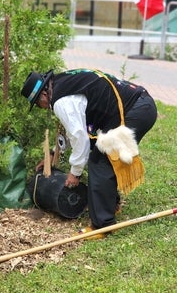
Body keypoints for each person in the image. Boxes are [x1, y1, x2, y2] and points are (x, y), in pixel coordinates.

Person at [21, 68, 157, 237]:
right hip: (139, 103)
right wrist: (53, 152)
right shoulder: (63, 84)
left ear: (43, 95)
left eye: (37, 103)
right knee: (102, 155)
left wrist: (75, 172)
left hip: (135, 110)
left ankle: (102, 225)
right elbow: (75, 132)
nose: (41, 108)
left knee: (100, 161)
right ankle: (110, 205)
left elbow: (81, 139)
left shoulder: (61, 102)